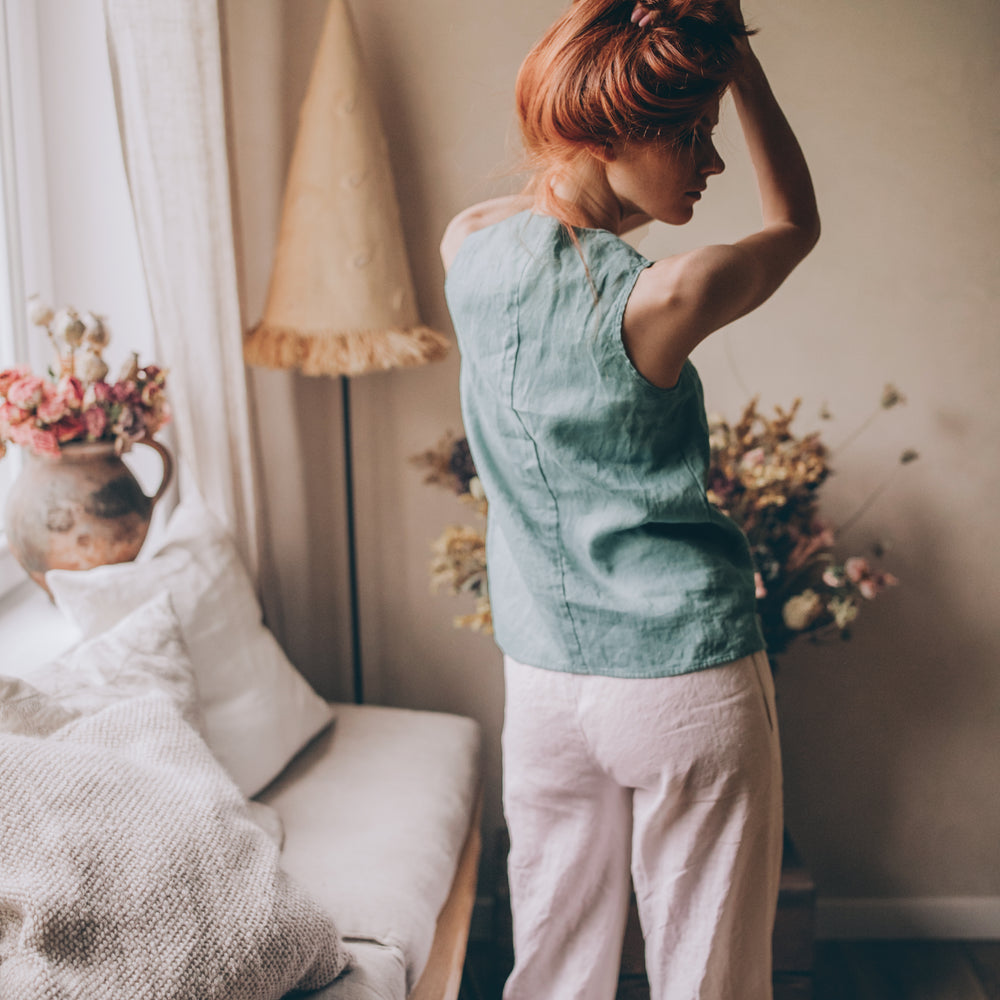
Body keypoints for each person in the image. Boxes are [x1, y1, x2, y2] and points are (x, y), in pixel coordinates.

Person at [441, 0, 819, 997]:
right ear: (606, 130)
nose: (712, 159)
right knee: (708, 975)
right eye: (688, 133)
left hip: (544, 679)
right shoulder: (661, 296)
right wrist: (737, 68)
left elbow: (560, 212)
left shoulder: (465, 246)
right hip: (681, 678)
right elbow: (795, 224)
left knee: (553, 967)